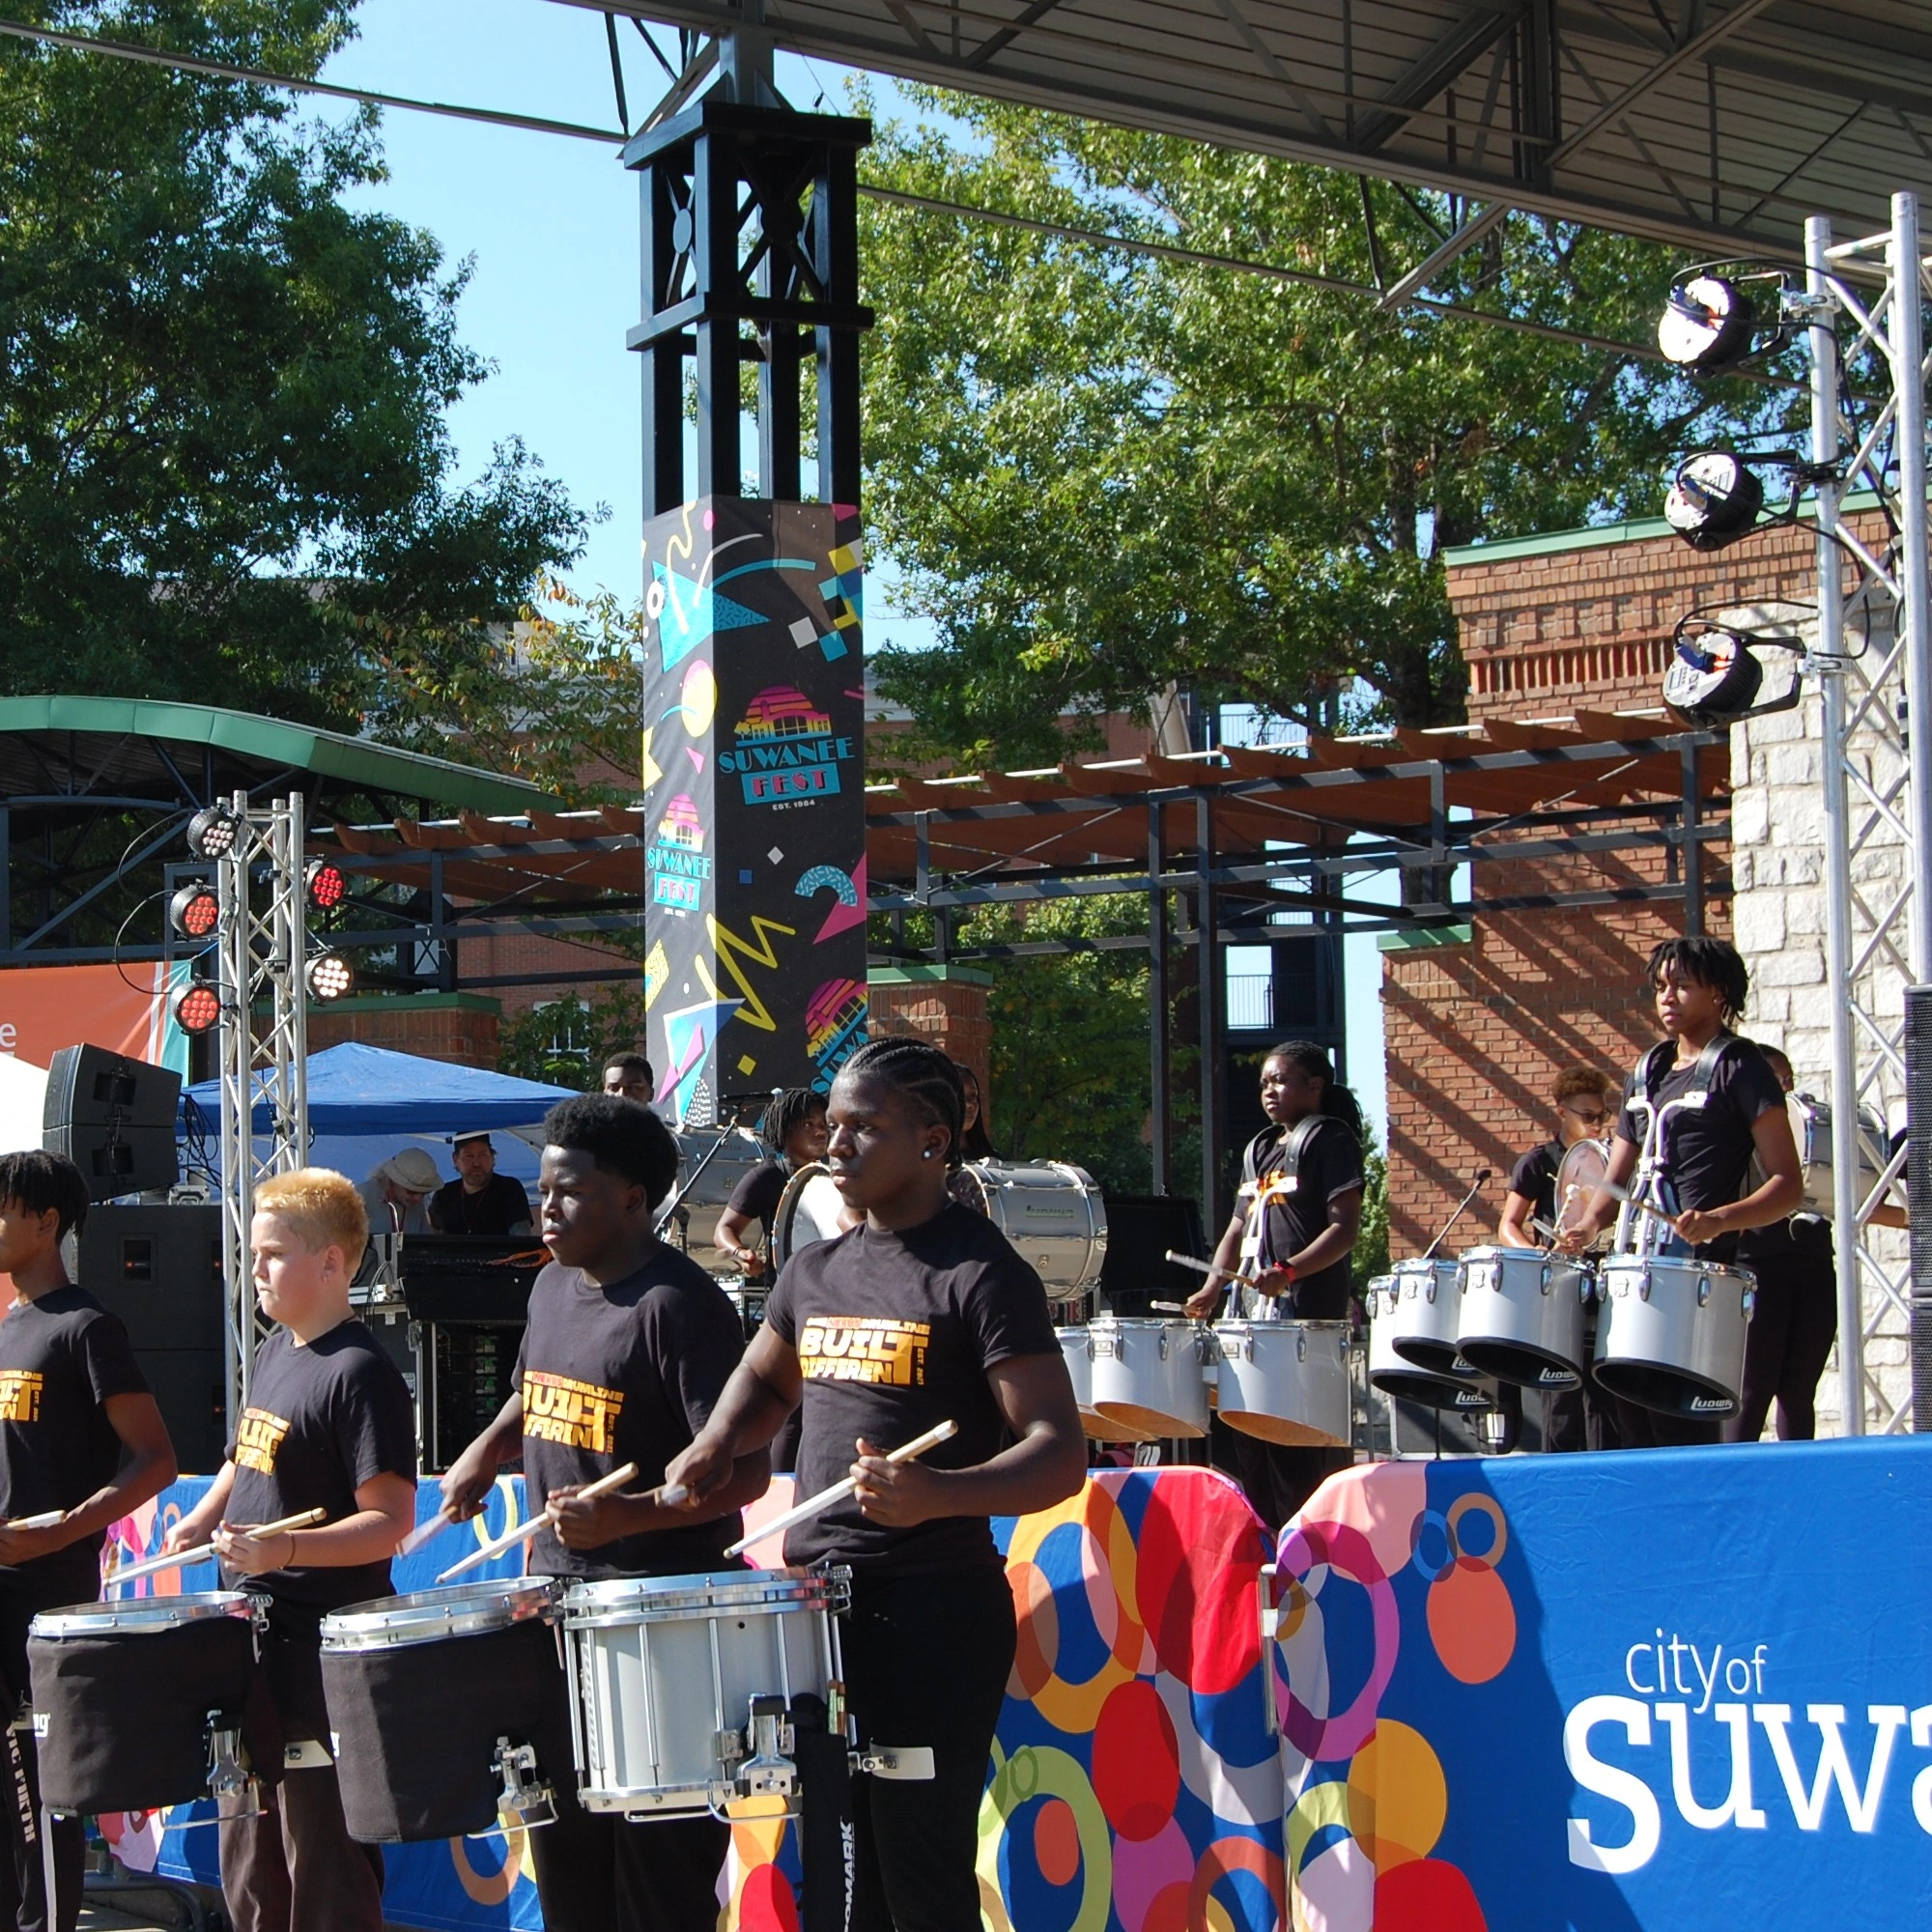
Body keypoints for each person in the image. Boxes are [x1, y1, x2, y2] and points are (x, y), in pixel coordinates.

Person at [665, 1037, 1086, 1932]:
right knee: (847, 1883)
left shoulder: (981, 1272)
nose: (836, 1147)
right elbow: (768, 1383)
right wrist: (714, 1441)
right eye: (834, 1127)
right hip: (821, 1610)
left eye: (864, 1129)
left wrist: (941, 1493)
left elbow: (1057, 1450)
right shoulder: (815, 1267)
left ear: (933, 1142)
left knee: (922, 1882)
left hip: (932, 1612)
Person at [440, 1094, 767, 1932]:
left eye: (569, 1194)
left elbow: (747, 1473)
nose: (547, 1210)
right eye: (543, 1192)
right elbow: (533, 1393)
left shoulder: (682, 1306)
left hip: (659, 1625)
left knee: (658, 1875)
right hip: (557, 1608)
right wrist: (486, 1448)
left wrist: (632, 1517)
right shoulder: (551, 1286)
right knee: (569, 1860)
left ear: (631, 1199)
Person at [165, 1169, 416, 1932]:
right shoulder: (277, 1349)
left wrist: (287, 1551)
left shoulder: (361, 1373)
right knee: (252, 1864)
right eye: (252, 1255)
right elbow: (248, 1453)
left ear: (333, 1262)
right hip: (252, 1643)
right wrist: (199, 1515)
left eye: (272, 1255)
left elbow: (390, 1520)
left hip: (320, 1654)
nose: (255, 1271)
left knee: (324, 1863)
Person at [0, 1151, 177, 1932]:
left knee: (44, 1790)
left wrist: (65, 1530)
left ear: (46, 1223)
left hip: (45, 1599)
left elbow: (157, 1460)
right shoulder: (10, 1326)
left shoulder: (86, 1326)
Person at [1558, 938, 1804, 1447]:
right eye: (1661, 987)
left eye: (1682, 986)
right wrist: (1587, 1225)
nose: (1667, 997)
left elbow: (1788, 1186)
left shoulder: (1741, 1067)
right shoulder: (1646, 1072)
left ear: (1718, 993)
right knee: (1630, 1428)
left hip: (1698, 1280)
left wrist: (1719, 1219)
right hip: (1633, 1275)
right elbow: (1617, 1181)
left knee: (1681, 1430)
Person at [1185, 1042, 1365, 1530]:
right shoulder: (1259, 1149)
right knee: (1249, 1449)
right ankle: (1265, 1556)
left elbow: (1343, 1230)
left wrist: (1289, 1272)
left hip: (1303, 1321)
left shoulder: (1330, 1139)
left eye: (1281, 1080)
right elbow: (1236, 1230)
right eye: (1265, 1082)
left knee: (1297, 1454)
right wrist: (1213, 1286)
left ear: (1314, 1086)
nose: (1269, 1090)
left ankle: (1311, 1560)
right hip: (1250, 1321)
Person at [1497, 1065, 1623, 1455]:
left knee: (1605, 1395)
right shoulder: (1539, 1161)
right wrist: (1535, 1253)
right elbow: (1508, 1226)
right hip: (1559, 1286)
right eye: (1588, 1117)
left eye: (1602, 1116)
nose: (1598, 1124)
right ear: (1562, 1112)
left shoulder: (1613, 1159)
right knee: (1561, 1395)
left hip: (1604, 1282)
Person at [1726, 1046, 1837, 1442]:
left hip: (1813, 1262)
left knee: (1799, 1389)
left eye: (1789, 1080)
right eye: (1777, 1081)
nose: (1786, 1090)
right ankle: (1734, 1479)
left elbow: (1843, 1198)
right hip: (1759, 1264)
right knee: (1754, 1386)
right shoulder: (1738, 1137)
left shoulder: (1808, 1135)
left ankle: (1798, 1476)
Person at [713, 1089, 831, 1277]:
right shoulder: (768, 1176)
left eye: (824, 1124)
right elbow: (724, 1229)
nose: (821, 1131)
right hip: (789, 1292)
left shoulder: (835, 1175)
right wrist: (741, 1253)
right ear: (785, 1129)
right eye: (809, 1124)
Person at [428, 1133, 532, 1237]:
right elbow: (433, 1237)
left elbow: (521, 1238)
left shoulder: (509, 1189)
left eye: (483, 1155)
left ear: (492, 1158)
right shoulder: (443, 1195)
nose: (477, 1163)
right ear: (456, 1160)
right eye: (469, 1156)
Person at [355, 1149, 440, 1237]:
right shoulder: (360, 1198)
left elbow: (425, 1244)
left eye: (424, 1193)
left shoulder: (418, 1206)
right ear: (394, 1180)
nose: (418, 1198)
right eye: (411, 1191)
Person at [955, 1063, 999, 1162]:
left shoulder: (991, 1160)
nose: (969, 1104)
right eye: (960, 1096)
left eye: (973, 1096)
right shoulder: (929, 1160)